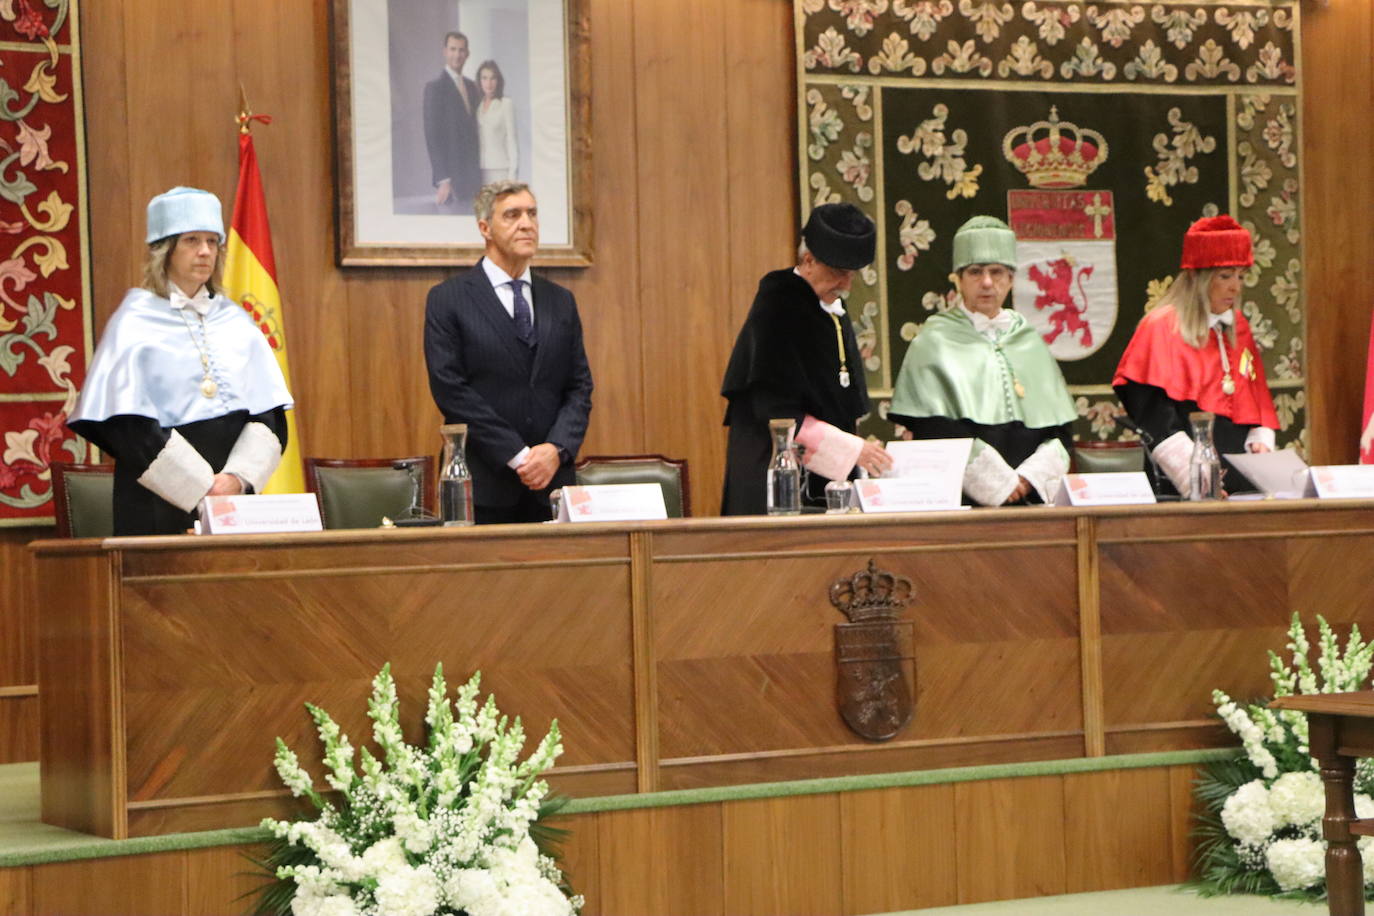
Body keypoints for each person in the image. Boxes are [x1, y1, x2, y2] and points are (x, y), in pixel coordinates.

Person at [67, 187, 292, 535]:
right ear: (165, 250)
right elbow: (128, 427)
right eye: (191, 240)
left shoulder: (238, 322)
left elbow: (270, 416)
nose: (204, 252)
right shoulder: (133, 323)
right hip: (157, 504)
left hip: (233, 507)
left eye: (212, 241)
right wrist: (201, 487)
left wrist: (234, 480)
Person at [423, 180, 594, 524]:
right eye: (512, 215)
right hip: (485, 485)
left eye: (532, 214)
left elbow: (579, 387)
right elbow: (451, 390)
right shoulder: (448, 299)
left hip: (553, 485)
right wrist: (519, 457)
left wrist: (556, 450)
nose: (527, 223)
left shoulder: (560, 301)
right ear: (485, 228)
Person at [888, 216, 1076, 506]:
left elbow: (1060, 431)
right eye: (976, 272)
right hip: (964, 502)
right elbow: (931, 428)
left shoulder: (1029, 339)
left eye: (997, 272)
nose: (987, 282)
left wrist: (1028, 479)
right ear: (959, 279)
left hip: (1030, 501)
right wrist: (998, 483)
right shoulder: (934, 340)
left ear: (1011, 279)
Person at [721, 203, 893, 515]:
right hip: (775, 467)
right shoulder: (779, 303)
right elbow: (775, 411)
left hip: (822, 473)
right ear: (808, 260)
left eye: (851, 274)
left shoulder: (829, 308)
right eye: (838, 273)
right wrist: (852, 450)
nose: (846, 285)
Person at [1113, 215, 1277, 496]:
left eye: (1241, 276)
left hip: (1238, 482)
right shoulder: (1161, 327)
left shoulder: (1237, 327)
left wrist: (1259, 441)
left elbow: (1254, 398)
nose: (1235, 287)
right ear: (1196, 278)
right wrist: (1199, 477)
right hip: (1182, 482)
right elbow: (1154, 418)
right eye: (1225, 277)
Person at [423, 31, 481, 213]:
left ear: (468, 54)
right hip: (452, 181)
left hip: (476, 176)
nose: (457, 55)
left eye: (461, 50)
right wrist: (444, 180)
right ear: (444, 51)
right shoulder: (434, 88)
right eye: (453, 49)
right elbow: (432, 136)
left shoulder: (473, 87)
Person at [475, 59, 518, 184]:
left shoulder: (505, 104)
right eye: (484, 78)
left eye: (493, 78)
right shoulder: (477, 107)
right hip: (480, 171)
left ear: (498, 81)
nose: (489, 83)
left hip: (501, 170)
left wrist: (512, 176)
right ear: (480, 81)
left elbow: (512, 141)